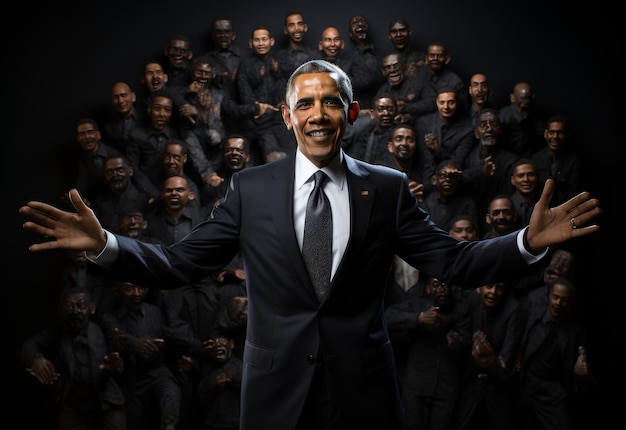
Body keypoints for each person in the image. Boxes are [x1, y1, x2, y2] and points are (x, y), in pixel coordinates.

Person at [20, 59, 601, 430]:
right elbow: (180, 263)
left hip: (365, 392)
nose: (318, 114)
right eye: (305, 103)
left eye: (329, 103)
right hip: (276, 393)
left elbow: (453, 260)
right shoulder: (251, 189)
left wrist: (527, 242)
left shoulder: (388, 188)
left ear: (349, 114)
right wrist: (106, 246)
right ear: (289, 117)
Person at [20, 287, 126, 430]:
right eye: (70, 307)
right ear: (61, 312)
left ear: (92, 308)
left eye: (81, 305)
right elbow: (29, 344)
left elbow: (120, 357)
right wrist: (35, 359)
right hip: (75, 403)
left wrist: (117, 366)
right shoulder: (57, 333)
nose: (76, 311)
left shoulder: (103, 328)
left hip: (107, 399)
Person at [385, 276, 471, 430]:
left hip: (445, 387)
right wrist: (419, 318)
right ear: (428, 289)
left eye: (445, 285)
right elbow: (388, 317)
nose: (441, 289)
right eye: (436, 285)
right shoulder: (417, 305)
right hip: (416, 385)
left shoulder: (459, 310)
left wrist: (455, 339)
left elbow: (467, 339)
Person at [516, 277, 594, 430]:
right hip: (524, 384)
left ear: (570, 303)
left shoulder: (575, 332)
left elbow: (580, 372)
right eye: (555, 297)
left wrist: (579, 375)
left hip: (551, 391)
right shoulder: (532, 316)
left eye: (564, 300)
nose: (558, 303)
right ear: (549, 297)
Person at [102, 280, 181, 430]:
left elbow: (171, 339)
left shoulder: (156, 312)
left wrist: (161, 346)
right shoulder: (109, 317)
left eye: (142, 287)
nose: (137, 294)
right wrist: (135, 344)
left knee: (171, 394)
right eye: (130, 289)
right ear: (116, 291)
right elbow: (116, 336)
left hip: (157, 370)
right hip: (131, 378)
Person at [454, 281, 523, 430]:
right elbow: (464, 339)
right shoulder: (471, 300)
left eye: (499, 287)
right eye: (489, 286)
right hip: (471, 380)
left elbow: (508, 356)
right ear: (479, 288)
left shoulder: (513, 308)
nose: (493, 292)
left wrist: (491, 364)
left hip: (500, 384)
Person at [236, 26, 294, 163]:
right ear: (251, 43)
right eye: (257, 40)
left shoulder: (278, 60)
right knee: (273, 157)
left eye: (264, 39)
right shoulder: (245, 64)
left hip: (280, 118)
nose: (261, 43)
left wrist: (284, 100)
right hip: (260, 120)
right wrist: (258, 106)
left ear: (271, 41)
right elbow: (244, 91)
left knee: (292, 154)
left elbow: (289, 82)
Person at [72, 118, 124, 207]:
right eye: (82, 134)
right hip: (105, 201)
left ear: (98, 135)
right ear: (78, 139)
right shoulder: (85, 159)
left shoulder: (113, 155)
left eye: (90, 132)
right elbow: (82, 183)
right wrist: (75, 198)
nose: (87, 137)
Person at [531, 115, 582, 206]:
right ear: (545, 134)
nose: (555, 136)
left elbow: (575, 191)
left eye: (560, 133)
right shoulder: (535, 159)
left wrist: (561, 185)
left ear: (566, 135)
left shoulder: (574, 161)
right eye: (552, 132)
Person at [420, 159, 479, 233]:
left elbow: (472, 233)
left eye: (453, 176)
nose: (447, 179)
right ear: (434, 180)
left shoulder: (467, 203)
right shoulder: (425, 202)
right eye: (442, 175)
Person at [497, 81, 545, 158]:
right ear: (513, 98)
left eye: (528, 97)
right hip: (508, 157)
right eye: (522, 98)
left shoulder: (535, 116)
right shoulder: (504, 115)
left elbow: (543, 133)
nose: (526, 101)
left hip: (529, 157)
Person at [103, 82, 146, 155]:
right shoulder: (109, 125)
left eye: (123, 95)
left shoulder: (145, 120)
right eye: (116, 97)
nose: (120, 101)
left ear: (133, 97)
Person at [509, 158, 540, 227]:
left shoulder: (546, 204)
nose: (526, 179)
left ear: (537, 177)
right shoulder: (507, 206)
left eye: (531, 175)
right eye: (520, 176)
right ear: (513, 180)